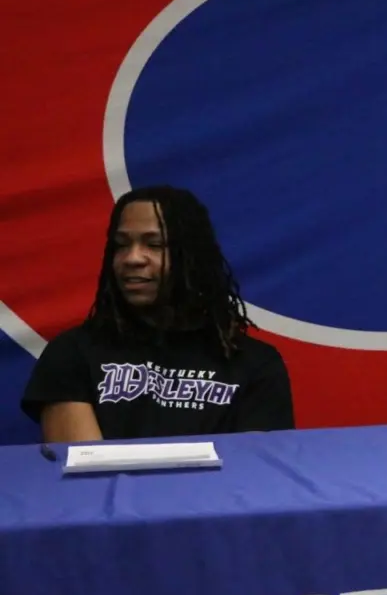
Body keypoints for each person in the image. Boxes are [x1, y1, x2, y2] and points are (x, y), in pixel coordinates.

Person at [21, 186, 295, 442]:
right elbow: (84, 468)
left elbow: (253, 469)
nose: (132, 258)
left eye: (154, 245)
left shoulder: (254, 363)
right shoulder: (73, 353)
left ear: (193, 258)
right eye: (121, 244)